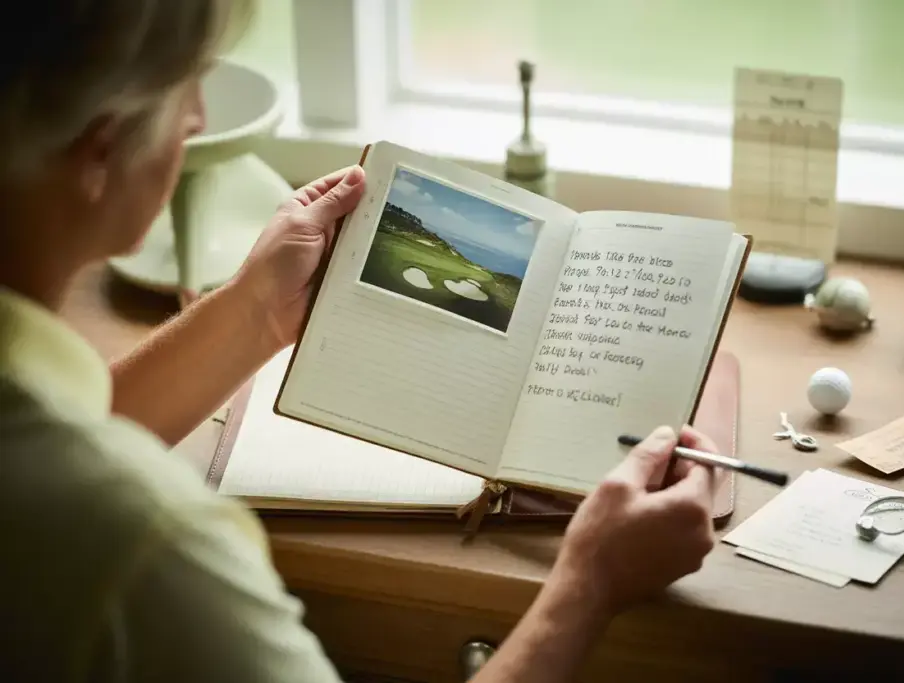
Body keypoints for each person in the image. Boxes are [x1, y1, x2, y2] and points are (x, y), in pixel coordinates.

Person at [0, 2, 721, 681]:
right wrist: (590, 581)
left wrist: (256, 308)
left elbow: (75, 435)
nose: (198, 114)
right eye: (186, 83)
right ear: (101, 148)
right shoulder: (146, 544)